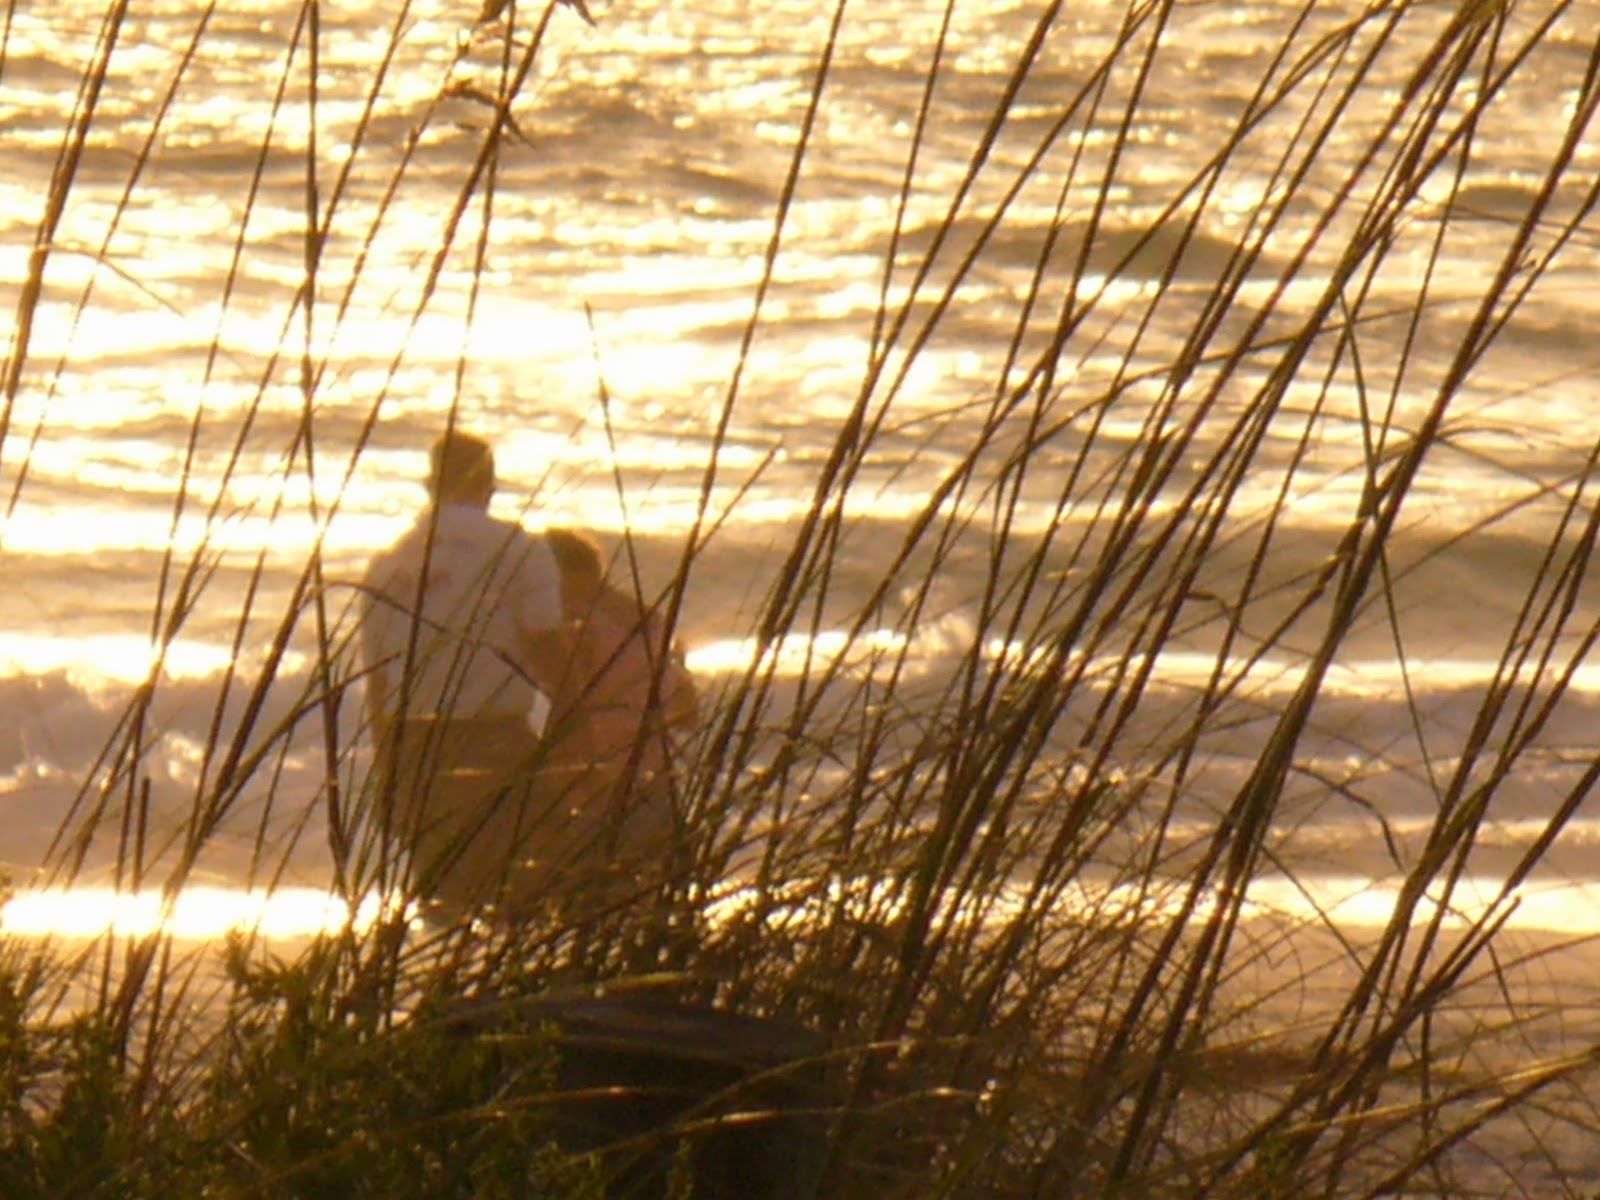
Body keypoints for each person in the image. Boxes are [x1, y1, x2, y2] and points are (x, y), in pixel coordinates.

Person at [358, 428, 570, 921]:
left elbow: (379, 682)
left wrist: (389, 768)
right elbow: (546, 646)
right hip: (494, 740)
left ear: (430, 486)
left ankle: (443, 991)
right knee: (518, 889)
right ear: (489, 485)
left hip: (417, 746)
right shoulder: (519, 550)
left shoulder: (389, 563)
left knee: (441, 899)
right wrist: (576, 724)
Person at [514, 527, 700, 914]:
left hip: (595, 786)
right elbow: (687, 708)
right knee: (654, 905)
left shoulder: (576, 623)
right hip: (655, 777)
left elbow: (571, 706)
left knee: (580, 908)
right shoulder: (650, 619)